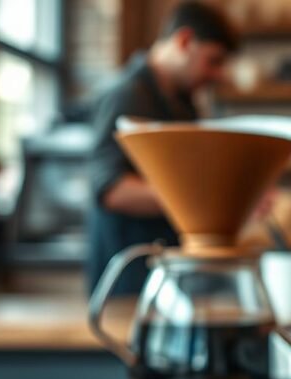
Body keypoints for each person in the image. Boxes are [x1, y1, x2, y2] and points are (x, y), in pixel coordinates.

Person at [86, 1, 237, 295]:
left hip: (165, 277)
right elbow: (111, 190)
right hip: (128, 283)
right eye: (213, 61)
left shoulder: (182, 104)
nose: (217, 75)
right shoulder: (128, 95)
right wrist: (203, 200)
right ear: (184, 41)